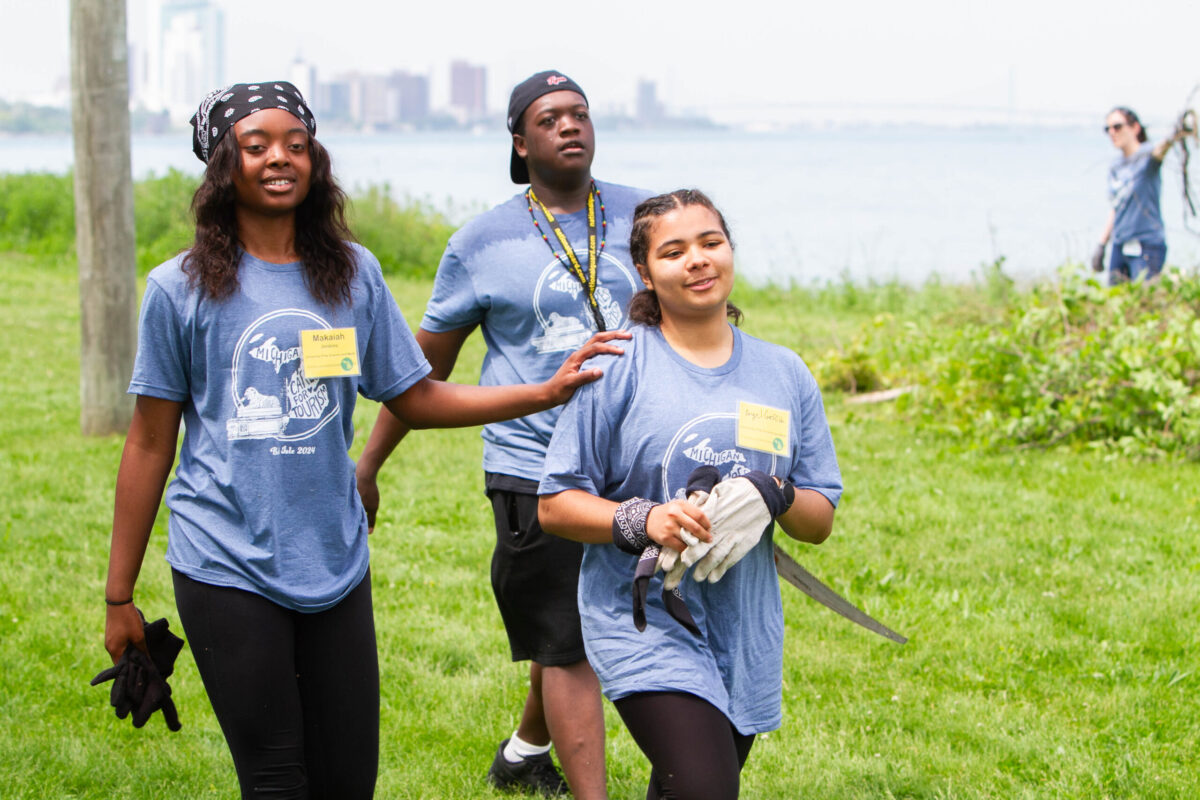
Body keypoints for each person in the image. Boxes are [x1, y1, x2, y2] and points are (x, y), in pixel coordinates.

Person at [100, 81, 622, 800]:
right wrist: (118, 596)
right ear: (224, 165)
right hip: (225, 561)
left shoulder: (351, 274)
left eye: (295, 144)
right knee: (278, 778)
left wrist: (541, 391)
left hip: (336, 560)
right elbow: (150, 445)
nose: (280, 158)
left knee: (349, 779)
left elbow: (413, 394)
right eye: (256, 147)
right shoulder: (179, 290)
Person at [355, 70, 651, 799]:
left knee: (592, 627)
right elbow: (419, 375)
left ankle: (522, 752)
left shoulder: (645, 214)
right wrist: (366, 467)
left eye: (580, 113)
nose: (570, 126)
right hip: (534, 467)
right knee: (565, 637)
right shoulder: (482, 242)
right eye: (550, 118)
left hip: (638, 461)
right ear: (520, 142)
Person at [538, 189, 843, 800]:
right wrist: (644, 518)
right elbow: (555, 503)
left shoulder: (784, 372)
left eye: (711, 243)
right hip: (643, 617)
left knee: (691, 785)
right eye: (674, 251)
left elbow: (819, 519)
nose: (698, 260)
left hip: (744, 624)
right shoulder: (619, 365)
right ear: (647, 272)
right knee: (706, 787)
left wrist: (774, 491)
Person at [1094, 106, 1189, 284]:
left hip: (1147, 245)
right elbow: (1116, 208)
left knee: (1145, 302)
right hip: (1120, 244)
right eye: (1108, 129)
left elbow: (1160, 150)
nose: (1112, 132)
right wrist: (1101, 245)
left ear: (1135, 128)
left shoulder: (1147, 157)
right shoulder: (1116, 167)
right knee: (1116, 302)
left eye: (1117, 126)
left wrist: (1176, 134)